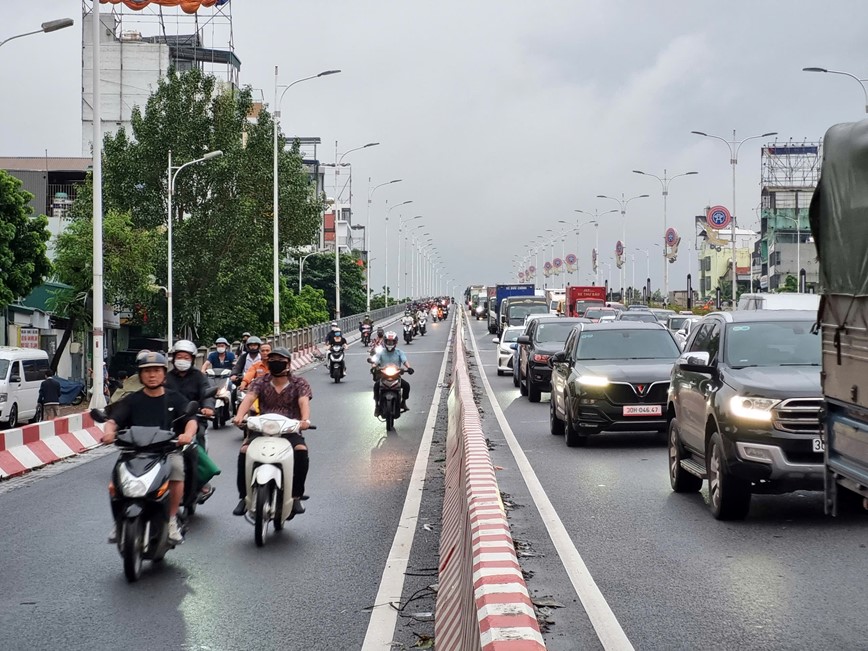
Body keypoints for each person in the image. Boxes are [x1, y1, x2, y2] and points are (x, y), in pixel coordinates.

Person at [102, 352, 197, 545]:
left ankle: (171, 520)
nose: (151, 375)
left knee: (177, 472)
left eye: (156, 371)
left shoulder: (174, 399)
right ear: (140, 374)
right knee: (114, 484)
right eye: (147, 371)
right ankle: (119, 521)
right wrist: (109, 432)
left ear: (163, 374)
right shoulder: (132, 400)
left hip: (166, 452)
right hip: (134, 453)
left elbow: (191, 421)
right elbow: (113, 421)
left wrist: (187, 434)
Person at [231, 347, 312, 517]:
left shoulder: (299, 383)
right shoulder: (260, 382)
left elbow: (303, 401)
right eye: (272, 360)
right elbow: (249, 398)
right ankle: (243, 496)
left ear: (288, 363)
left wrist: (304, 420)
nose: (275, 363)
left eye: (280, 360)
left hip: (290, 430)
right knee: (244, 451)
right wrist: (239, 416)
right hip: (262, 428)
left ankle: (296, 495)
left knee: (301, 451)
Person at [165, 340, 217, 499]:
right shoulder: (166, 377)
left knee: (198, 439)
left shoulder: (199, 377)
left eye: (186, 357)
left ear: (192, 359)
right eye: (179, 356)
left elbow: (207, 392)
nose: (182, 360)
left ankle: (200, 482)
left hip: (195, 418)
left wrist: (208, 408)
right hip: (170, 420)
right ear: (173, 358)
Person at [371, 331, 413, 416]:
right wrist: (374, 366)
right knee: (376, 386)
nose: (390, 343)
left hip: (396, 375)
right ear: (385, 341)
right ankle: (377, 405)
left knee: (406, 386)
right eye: (388, 341)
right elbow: (375, 361)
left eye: (392, 341)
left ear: (395, 342)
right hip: (383, 375)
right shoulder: (381, 352)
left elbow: (404, 361)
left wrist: (409, 368)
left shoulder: (399, 352)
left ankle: (403, 402)